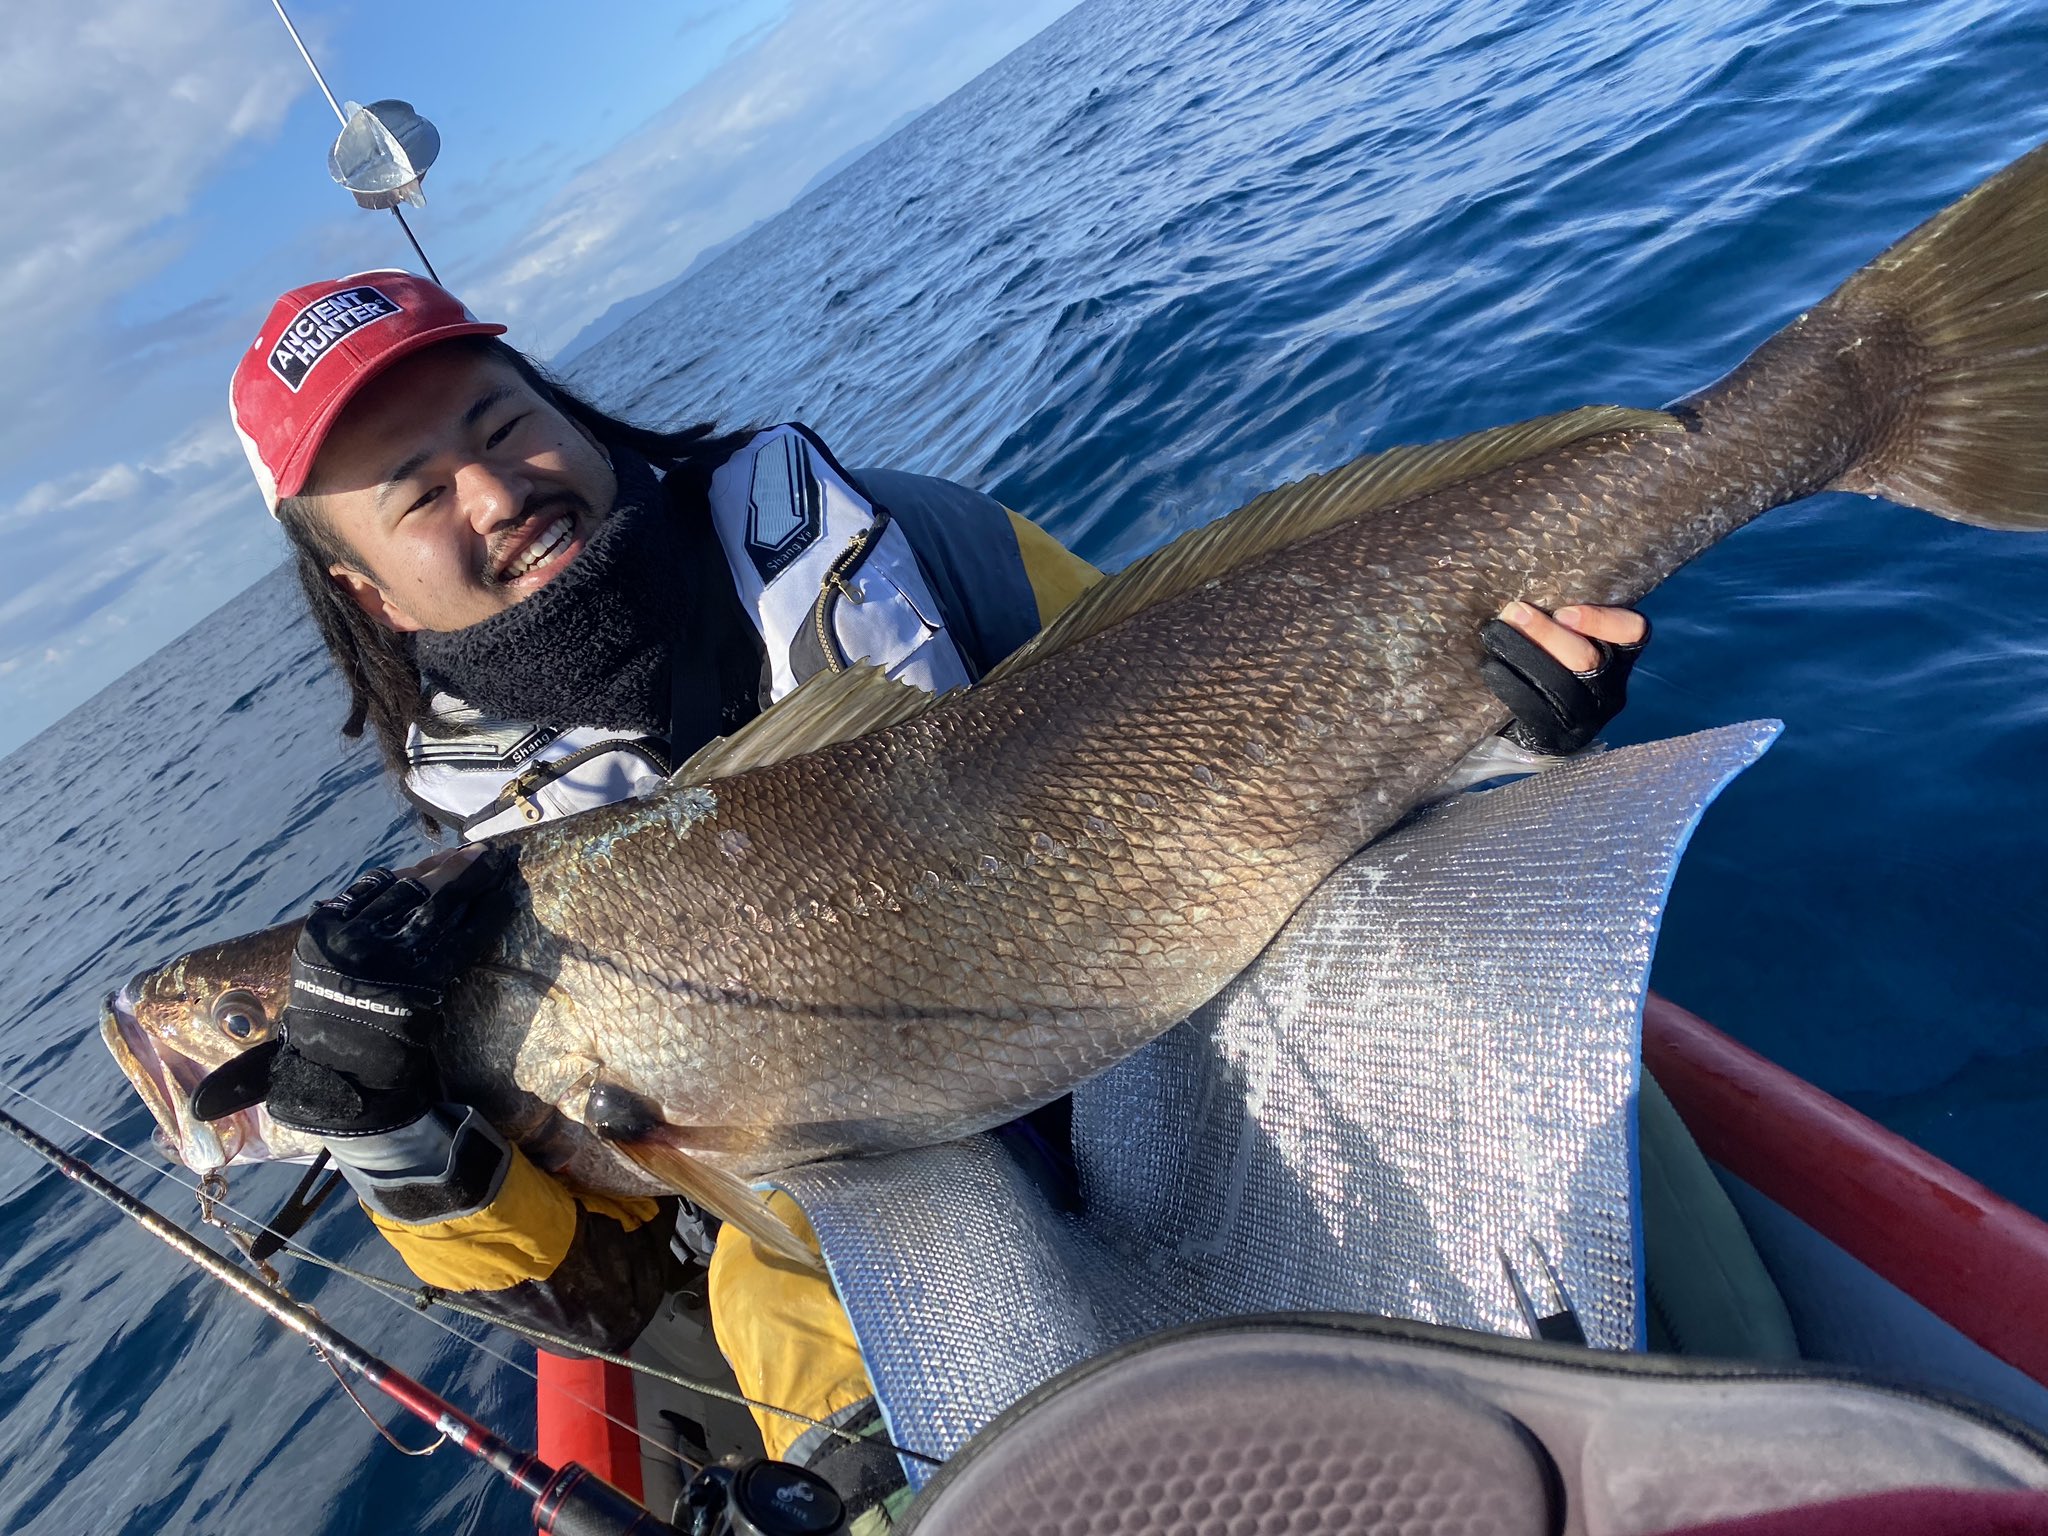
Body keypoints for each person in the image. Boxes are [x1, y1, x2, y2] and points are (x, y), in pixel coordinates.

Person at [219, 269, 1659, 1499]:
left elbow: (1228, 714)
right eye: (418, 494)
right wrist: (390, 1145)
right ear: (370, 592)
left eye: (501, 422)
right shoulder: (446, 906)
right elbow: (618, 1289)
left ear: (560, 408)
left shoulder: (910, 549)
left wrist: (1485, 722)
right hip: (862, 1297)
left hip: (1219, 1056)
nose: (494, 488)